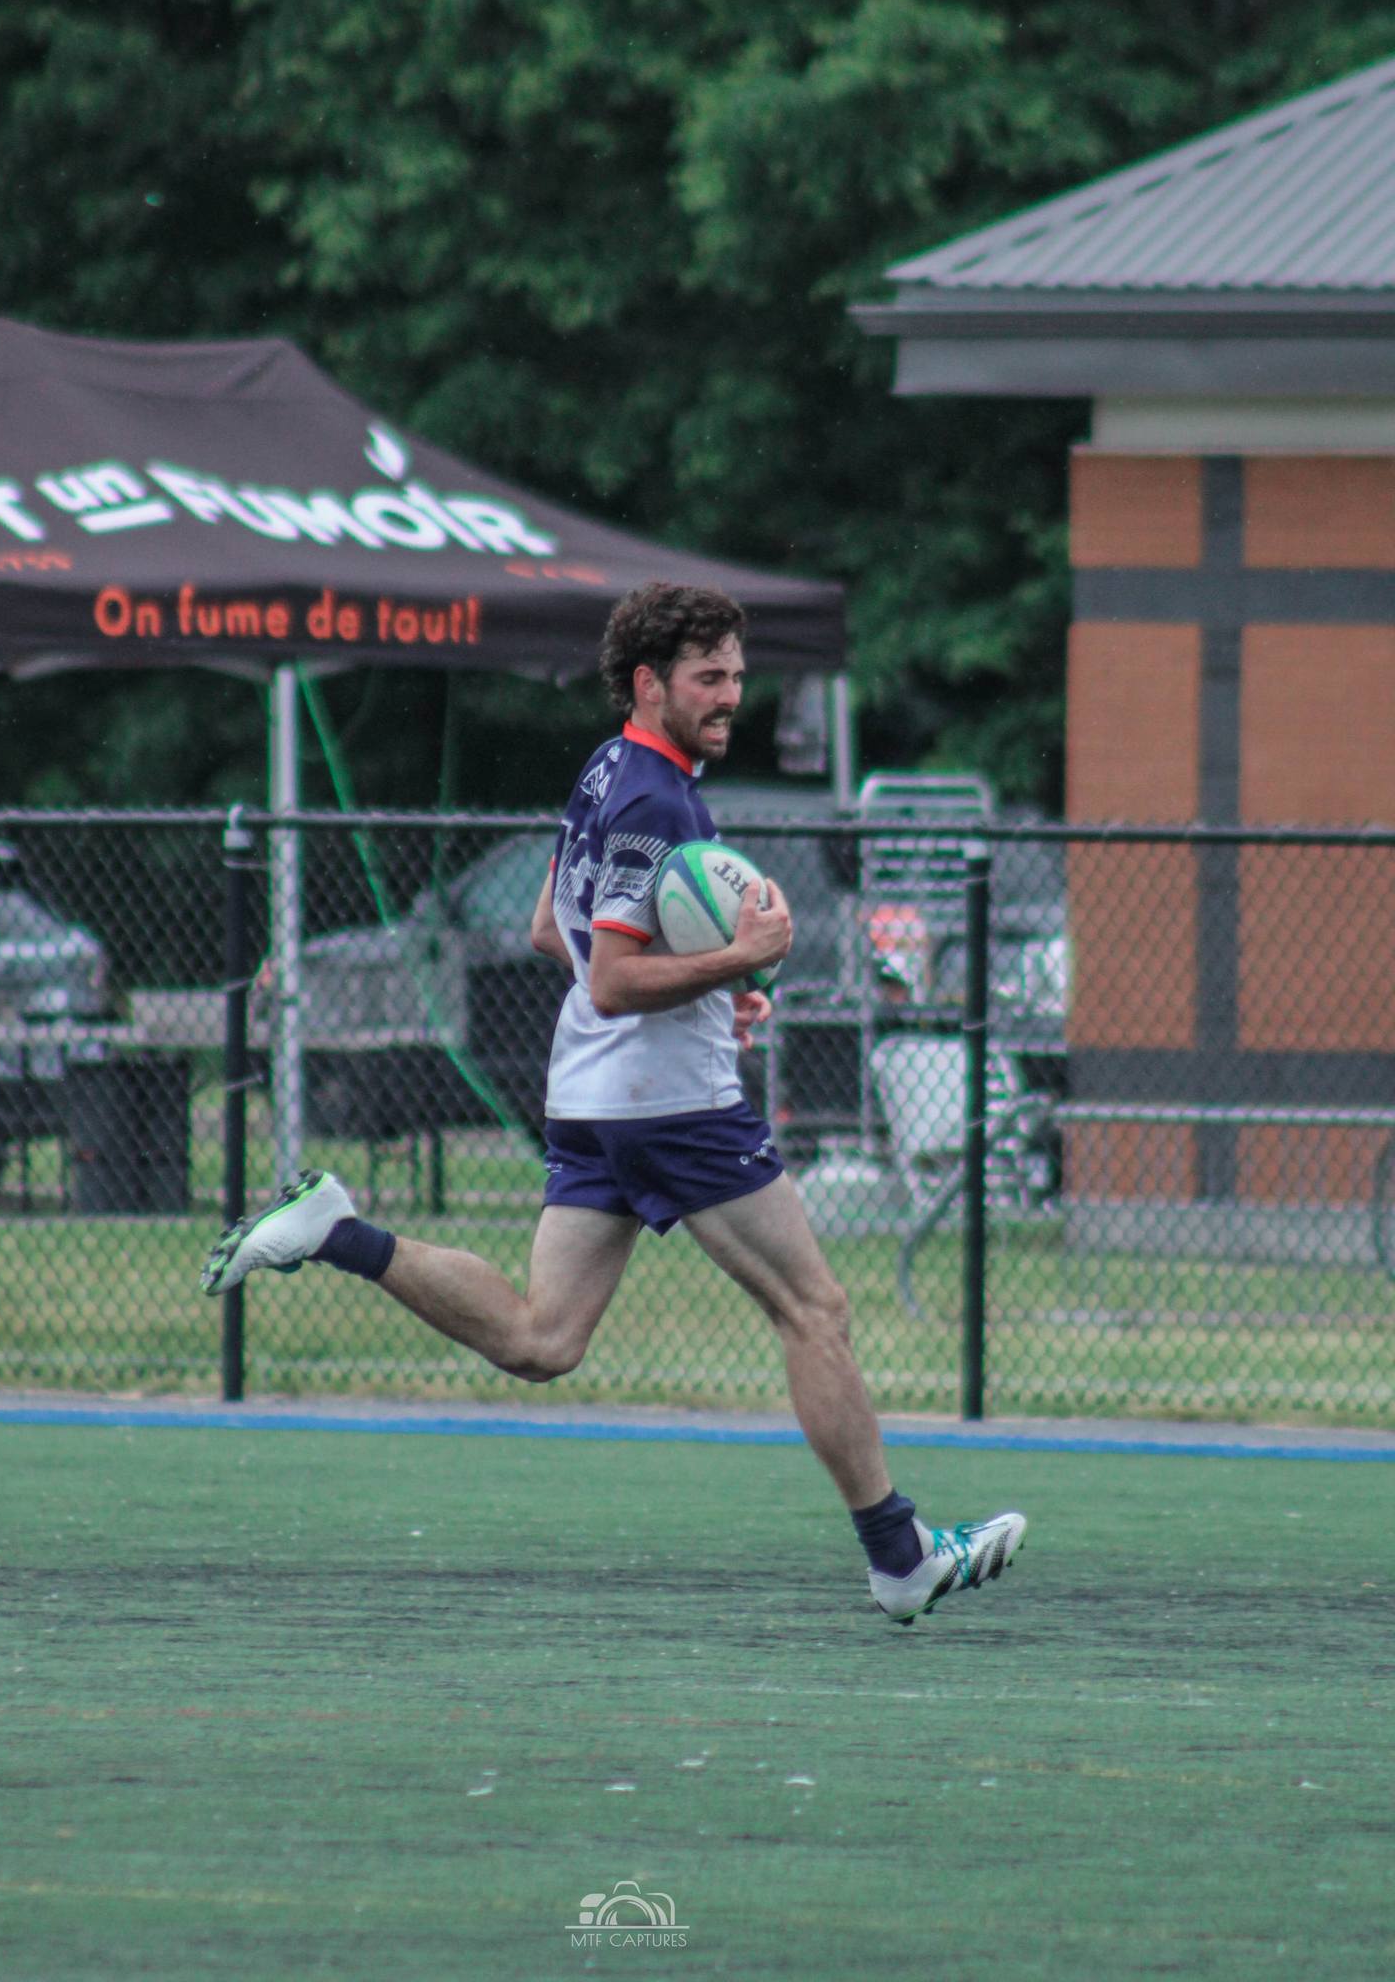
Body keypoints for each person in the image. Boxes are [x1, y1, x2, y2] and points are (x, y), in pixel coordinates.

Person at [201, 582, 1025, 1624]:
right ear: (649, 682)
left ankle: (338, 1228)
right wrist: (741, 954)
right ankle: (899, 1554)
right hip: (670, 1105)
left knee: (542, 1338)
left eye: (736, 674)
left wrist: (718, 981)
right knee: (812, 1308)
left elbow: (559, 927)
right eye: (708, 678)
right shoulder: (656, 797)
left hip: (593, 1094)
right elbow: (611, 979)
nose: (731, 695)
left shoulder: (610, 767)